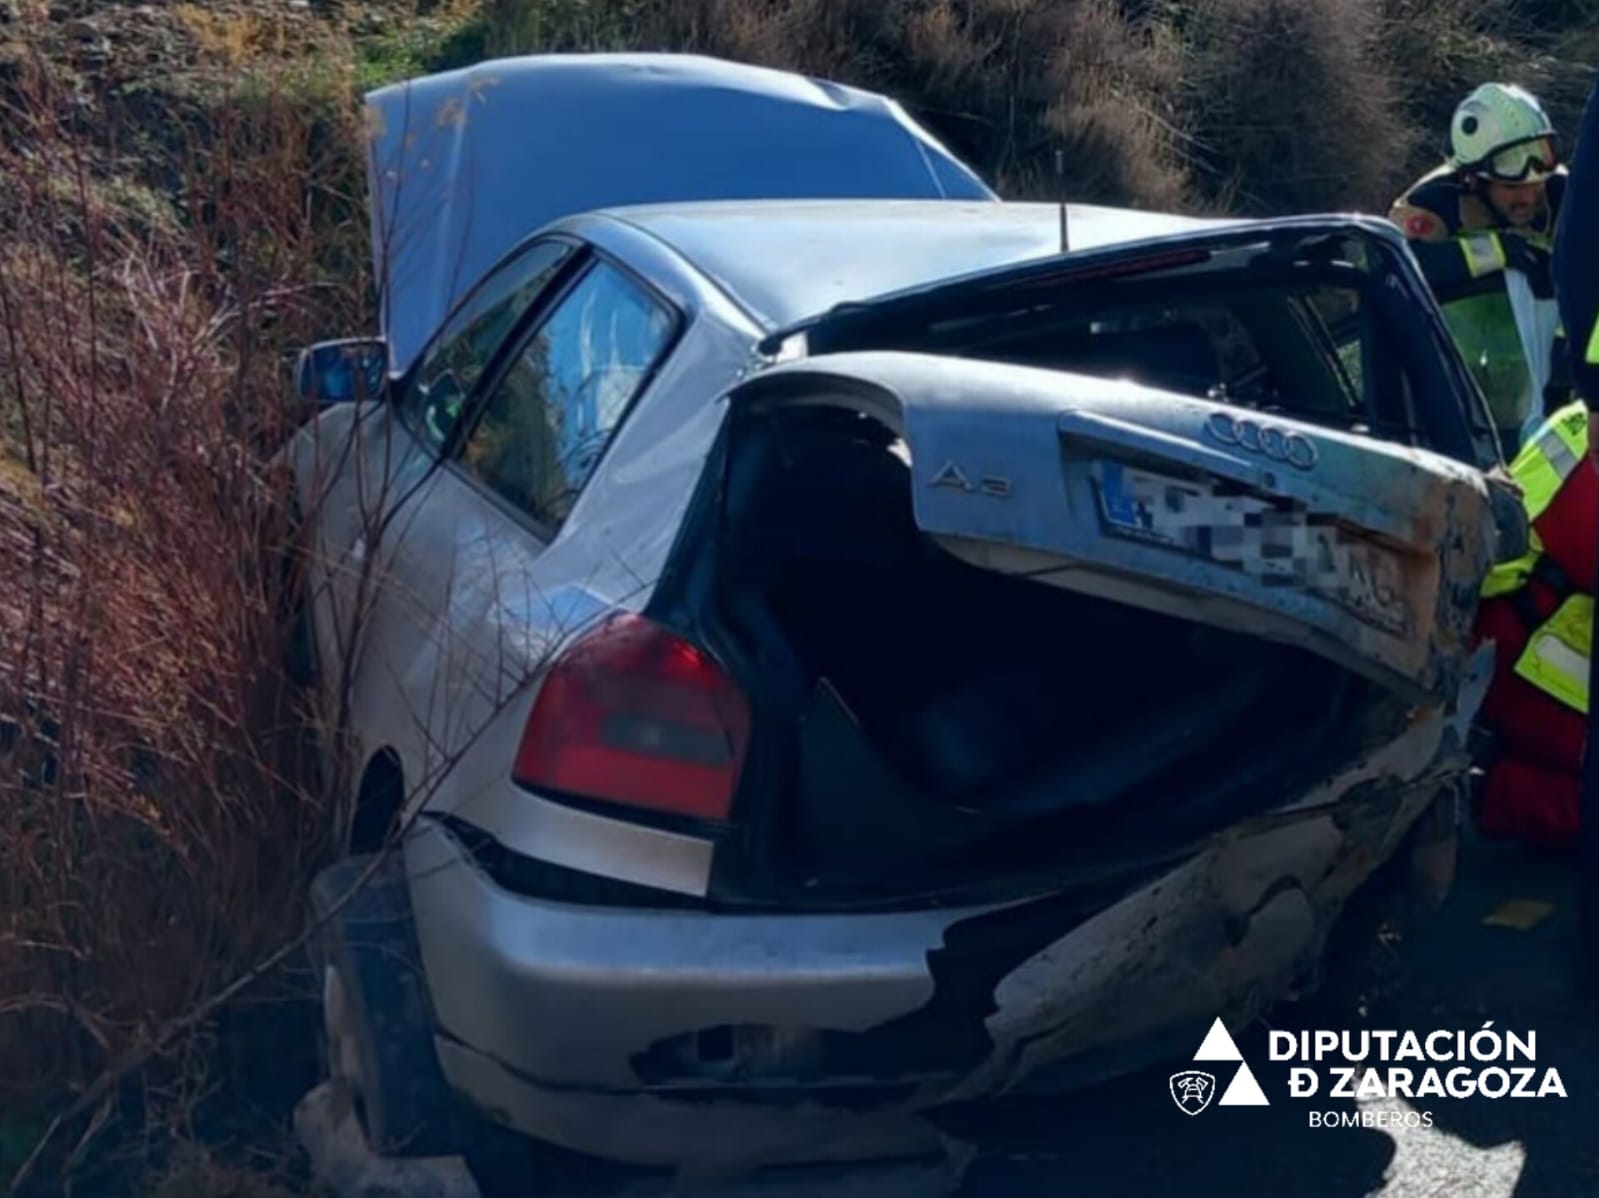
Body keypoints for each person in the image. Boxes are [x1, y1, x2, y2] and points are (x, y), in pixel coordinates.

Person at [1389, 82, 1569, 449]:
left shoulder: (1564, 194)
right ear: (1473, 180)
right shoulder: (1432, 204)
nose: (1530, 196)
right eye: (1512, 187)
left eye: (1538, 183)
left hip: (1543, 383)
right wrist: (1500, 251)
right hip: (1452, 387)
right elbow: (1396, 270)